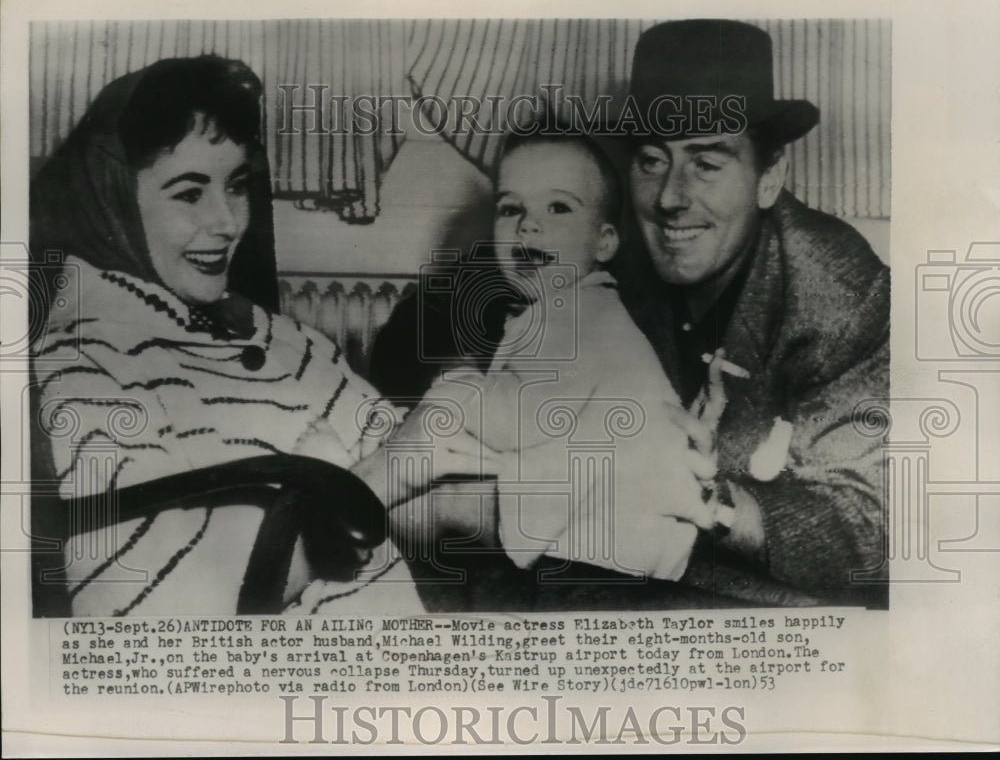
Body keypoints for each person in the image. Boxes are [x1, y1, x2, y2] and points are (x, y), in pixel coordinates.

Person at [30, 55, 494, 617]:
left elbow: (418, 483)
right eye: (188, 193)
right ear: (111, 202)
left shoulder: (287, 342)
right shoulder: (81, 371)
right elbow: (159, 622)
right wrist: (377, 479)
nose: (228, 222)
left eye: (237, 186)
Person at [610, 19, 890, 606]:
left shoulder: (838, 291)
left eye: (706, 163)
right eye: (651, 161)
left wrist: (706, 498)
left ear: (769, 178)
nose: (669, 198)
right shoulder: (607, 246)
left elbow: (870, 533)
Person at [393, 129, 711, 584]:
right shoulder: (565, 308)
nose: (528, 224)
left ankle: (348, 497)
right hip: (609, 519)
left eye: (557, 207)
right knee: (430, 472)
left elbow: (517, 420)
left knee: (412, 504)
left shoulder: (583, 318)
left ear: (604, 243)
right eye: (510, 208)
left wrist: (456, 382)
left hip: (617, 542)